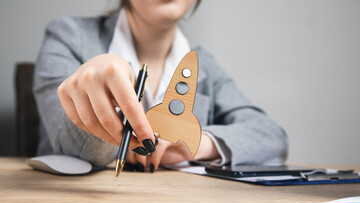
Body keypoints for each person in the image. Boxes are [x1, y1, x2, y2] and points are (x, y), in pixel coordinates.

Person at [33, 0, 288, 173]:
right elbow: (65, 143)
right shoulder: (68, 36)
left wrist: (194, 143)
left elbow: (272, 137)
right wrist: (96, 97)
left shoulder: (204, 64)